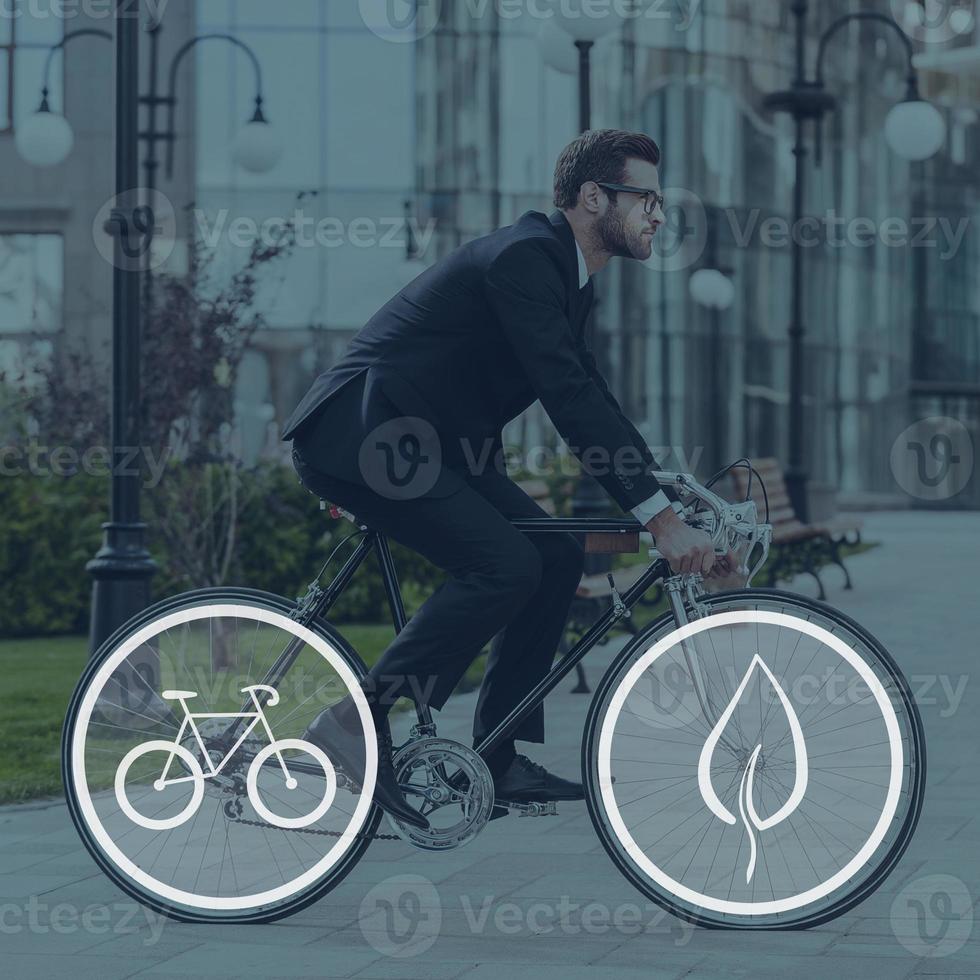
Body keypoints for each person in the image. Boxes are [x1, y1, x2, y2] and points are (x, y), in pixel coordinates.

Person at [284, 129, 730, 830]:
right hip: (366, 438)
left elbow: (589, 391)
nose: (660, 216)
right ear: (593, 197)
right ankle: (348, 726)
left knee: (552, 554)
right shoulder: (525, 258)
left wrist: (661, 490)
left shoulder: (563, 277)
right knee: (504, 565)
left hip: (422, 445)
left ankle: (495, 757)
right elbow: (567, 397)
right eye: (647, 198)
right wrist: (657, 519)